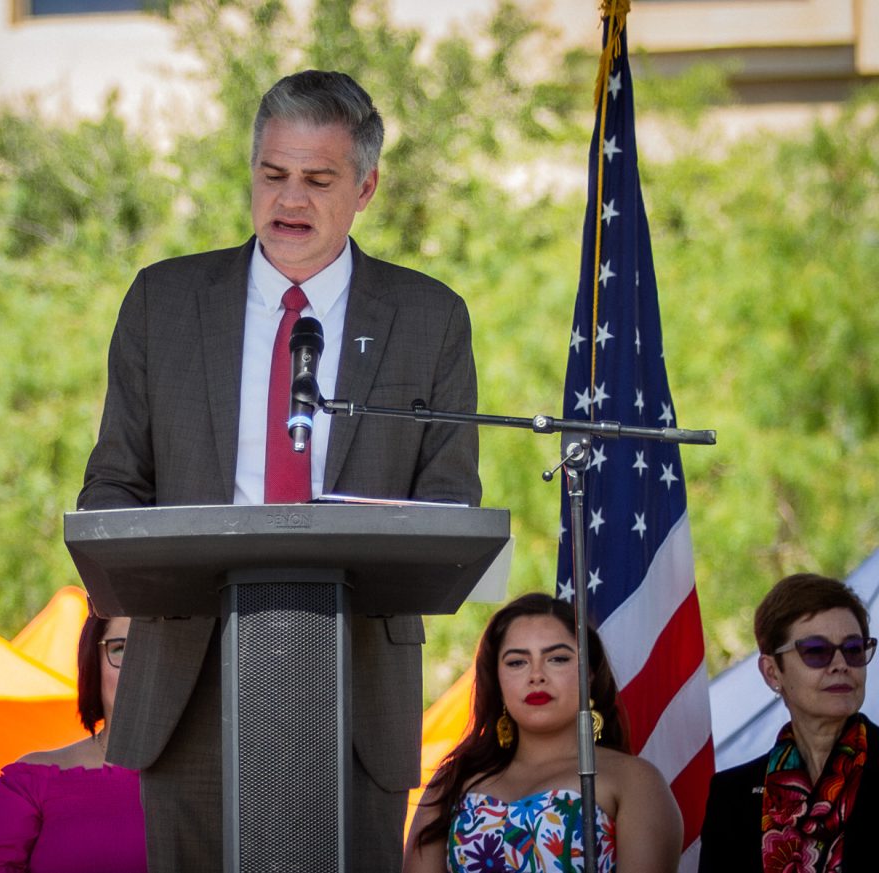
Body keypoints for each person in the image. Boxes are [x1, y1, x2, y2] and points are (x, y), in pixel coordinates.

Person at [77, 69, 482, 870]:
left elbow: (448, 499)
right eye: (273, 175)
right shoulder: (165, 301)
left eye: (318, 179)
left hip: (357, 671)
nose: (290, 199)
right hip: (189, 669)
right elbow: (114, 484)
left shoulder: (429, 316)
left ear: (366, 187)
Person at [404, 593, 682, 873]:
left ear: (589, 674)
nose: (536, 675)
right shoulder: (452, 780)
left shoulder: (633, 780)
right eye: (516, 662)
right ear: (496, 680)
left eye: (557, 659)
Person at [698, 573, 878, 872]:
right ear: (771, 672)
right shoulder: (732, 794)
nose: (840, 665)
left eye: (853, 649)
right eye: (816, 651)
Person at [0, 613, 145, 873]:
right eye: (120, 648)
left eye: (153, 650)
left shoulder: (212, 778)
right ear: (92, 662)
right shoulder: (32, 780)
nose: (138, 668)